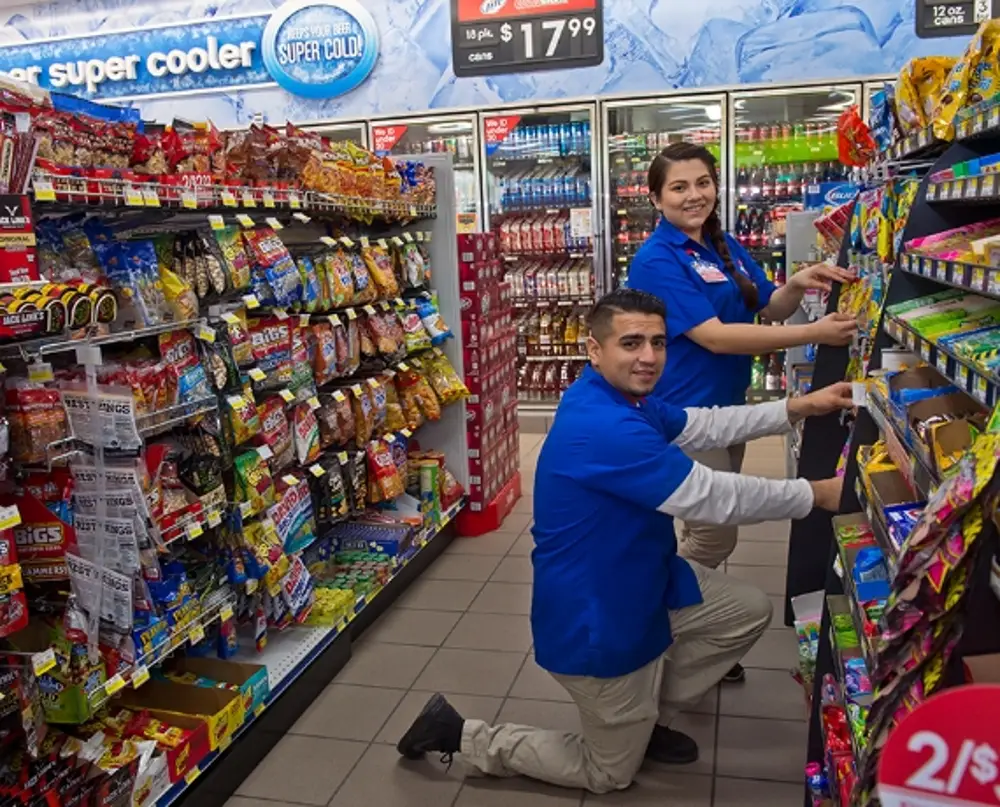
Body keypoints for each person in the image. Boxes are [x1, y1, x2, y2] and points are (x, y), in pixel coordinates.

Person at [397, 289, 849, 794]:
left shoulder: (617, 397)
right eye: (631, 343)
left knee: (743, 611)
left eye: (658, 342)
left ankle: (645, 717)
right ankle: (464, 735)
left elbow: (701, 424)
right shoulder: (604, 425)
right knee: (608, 773)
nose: (650, 357)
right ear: (595, 350)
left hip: (646, 579)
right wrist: (816, 494)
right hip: (598, 616)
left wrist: (797, 406)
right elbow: (711, 496)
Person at [625, 142, 856, 682]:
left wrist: (796, 285)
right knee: (713, 531)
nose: (694, 195)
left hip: (728, 406)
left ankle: (689, 621)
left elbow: (765, 305)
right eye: (679, 187)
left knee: (710, 524)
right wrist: (812, 333)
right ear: (657, 198)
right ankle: (664, 623)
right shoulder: (657, 258)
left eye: (702, 182)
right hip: (685, 409)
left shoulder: (718, 244)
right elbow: (716, 337)